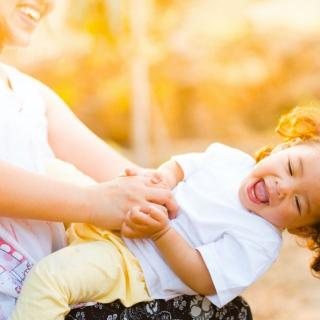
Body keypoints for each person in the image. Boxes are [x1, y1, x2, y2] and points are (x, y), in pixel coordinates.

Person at [0, 1, 252, 319]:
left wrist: (214, 219)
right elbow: (103, 199)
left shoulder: (31, 93)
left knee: (228, 310)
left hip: (48, 299)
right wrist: (93, 203)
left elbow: (128, 179)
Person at [10, 106, 320, 320]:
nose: (283, 187)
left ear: (302, 229)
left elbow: (203, 278)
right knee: (51, 171)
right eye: (292, 167)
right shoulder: (231, 160)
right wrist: (162, 179)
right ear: (284, 148)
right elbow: (183, 166)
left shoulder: (260, 241)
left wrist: (161, 234)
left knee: (51, 280)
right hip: (118, 211)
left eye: (298, 203)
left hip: (129, 262)